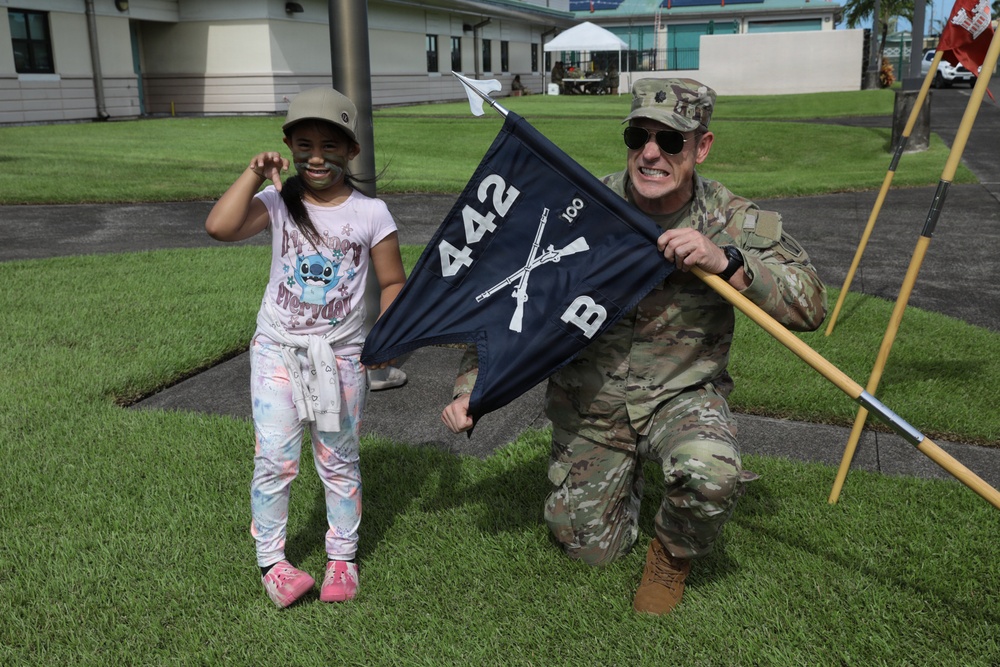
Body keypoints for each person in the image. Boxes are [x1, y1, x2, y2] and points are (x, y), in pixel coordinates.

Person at [441, 78, 826, 615]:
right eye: (638, 136)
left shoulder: (730, 217)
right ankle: (621, 483)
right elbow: (510, 304)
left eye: (670, 141)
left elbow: (810, 305)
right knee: (586, 549)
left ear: (701, 147)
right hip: (591, 404)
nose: (651, 153)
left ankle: (670, 553)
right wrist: (470, 389)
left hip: (681, 396)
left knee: (708, 472)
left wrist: (729, 262)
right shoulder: (583, 207)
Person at [205, 86, 406, 609]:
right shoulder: (277, 202)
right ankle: (272, 561)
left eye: (331, 146)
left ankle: (342, 557)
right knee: (274, 458)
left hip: (340, 356)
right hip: (277, 350)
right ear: (289, 146)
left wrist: (386, 335)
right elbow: (219, 227)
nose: (317, 157)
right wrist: (254, 172)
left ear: (352, 152)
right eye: (305, 144)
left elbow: (392, 283)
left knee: (338, 459)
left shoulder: (371, 213)